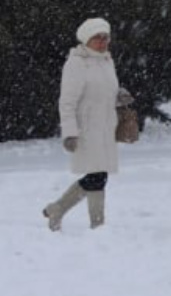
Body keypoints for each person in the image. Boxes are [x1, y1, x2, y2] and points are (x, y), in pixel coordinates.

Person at [42, 17, 131, 231]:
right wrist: (70, 132)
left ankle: (58, 209)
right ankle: (97, 225)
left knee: (98, 174)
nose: (102, 42)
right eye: (97, 38)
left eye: (105, 37)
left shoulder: (107, 61)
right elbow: (67, 102)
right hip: (87, 129)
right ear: (86, 40)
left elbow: (102, 93)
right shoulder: (76, 63)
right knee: (97, 175)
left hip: (106, 127)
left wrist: (119, 97)